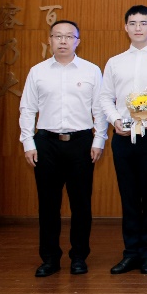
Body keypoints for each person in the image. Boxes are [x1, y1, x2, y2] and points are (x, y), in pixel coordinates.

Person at [18, 20, 108, 277]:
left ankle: (79, 257)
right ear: (50, 40)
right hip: (46, 144)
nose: (63, 41)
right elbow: (27, 109)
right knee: (48, 205)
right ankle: (49, 258)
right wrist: (28, 142)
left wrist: (99, 140)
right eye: (58, 36)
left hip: (81, 144)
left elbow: (99, 109)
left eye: (69, 36)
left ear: (78, 41)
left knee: (81, 204)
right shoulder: (38, 71)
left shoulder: (91, 70)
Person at [100, 5, 147, 275]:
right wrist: (115, 120)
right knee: (129, 195)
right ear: (125, 27)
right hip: (122, 135)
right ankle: (130, 252)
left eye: (143, 23)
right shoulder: (114, 62)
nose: (138, 28)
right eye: (132, 23)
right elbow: (105, 97)